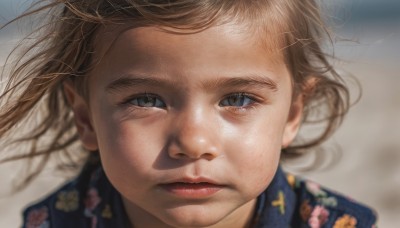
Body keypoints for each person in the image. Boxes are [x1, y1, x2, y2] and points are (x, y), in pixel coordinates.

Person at [0, 0, 377, 227]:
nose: (193, 142)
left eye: (238, 99)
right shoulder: (58, 221)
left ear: (293, 114)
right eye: (147, 100)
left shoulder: (334, 223)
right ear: (86, 120)